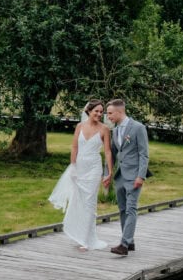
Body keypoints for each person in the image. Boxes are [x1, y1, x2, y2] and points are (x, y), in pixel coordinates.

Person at [47, 100, 113, 252]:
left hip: (94, 169)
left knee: (89, 203)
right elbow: (75, 147)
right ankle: (78, 233)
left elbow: (108, 151)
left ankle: (86, 239)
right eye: (96, 111)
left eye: (101, 111)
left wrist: (109, 172)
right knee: (78, 201)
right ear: (88, 111)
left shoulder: (104, 129)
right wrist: (73, 167)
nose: (99, 114)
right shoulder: (80, 127)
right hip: (80, 168)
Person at [105, 99, 149, 256]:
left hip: (134, 176)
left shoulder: (138, 128)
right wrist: (108, 174)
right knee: (123, 209)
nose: (108, 116)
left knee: (131, 209)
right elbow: (114, 154)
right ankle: (129, 242)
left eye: (110, 113)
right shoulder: (115, 131)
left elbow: (144, 154)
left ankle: (123, 245)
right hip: (120, 177)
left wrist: (141, 176)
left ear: (119, 112)